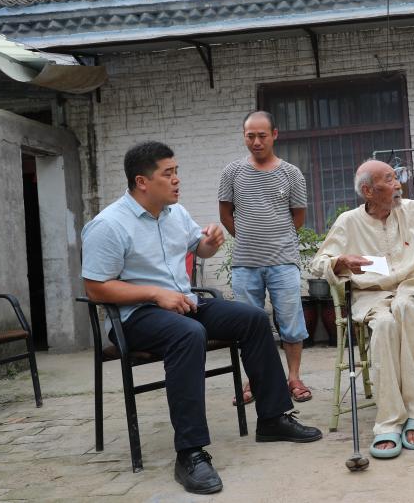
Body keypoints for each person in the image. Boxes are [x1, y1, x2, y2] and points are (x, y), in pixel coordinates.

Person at [82, 141, 321, 495]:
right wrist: (154, 294)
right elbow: (95, 288)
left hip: (183, 303)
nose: (177, 179)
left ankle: (272, 418)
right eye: (168, 173)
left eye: (176, 171)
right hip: (135, 316)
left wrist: (212, 241)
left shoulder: (175, 213)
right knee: (188, 334)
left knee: (254, 318)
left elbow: (200, 248)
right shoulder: (109, 225)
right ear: (142, 181)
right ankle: (190, 452)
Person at [311, 160, 414, 459]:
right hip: (371, 295)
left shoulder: (411, 210)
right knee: (384, 325)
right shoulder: (348, 222)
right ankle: (389, 420)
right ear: (368, 191)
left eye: (396, 177)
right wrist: (340, 261)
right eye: (389, 179)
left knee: (406, 309)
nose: (398, 184)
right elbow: (319, 263)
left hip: (412, 287)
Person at [219, 111, 313, 404]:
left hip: (283, 261)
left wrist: (277, 239)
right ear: (244, 136)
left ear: (274, 134)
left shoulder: (292, 173)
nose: (256, 142)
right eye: (250, 136)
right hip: (245, 263)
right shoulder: (232, 172)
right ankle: (255, 379)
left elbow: (298, 217)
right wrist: (249, 238)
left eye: (262, 135)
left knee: (291, 323)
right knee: (249, 325)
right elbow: (225, 214)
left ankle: (294, 378)